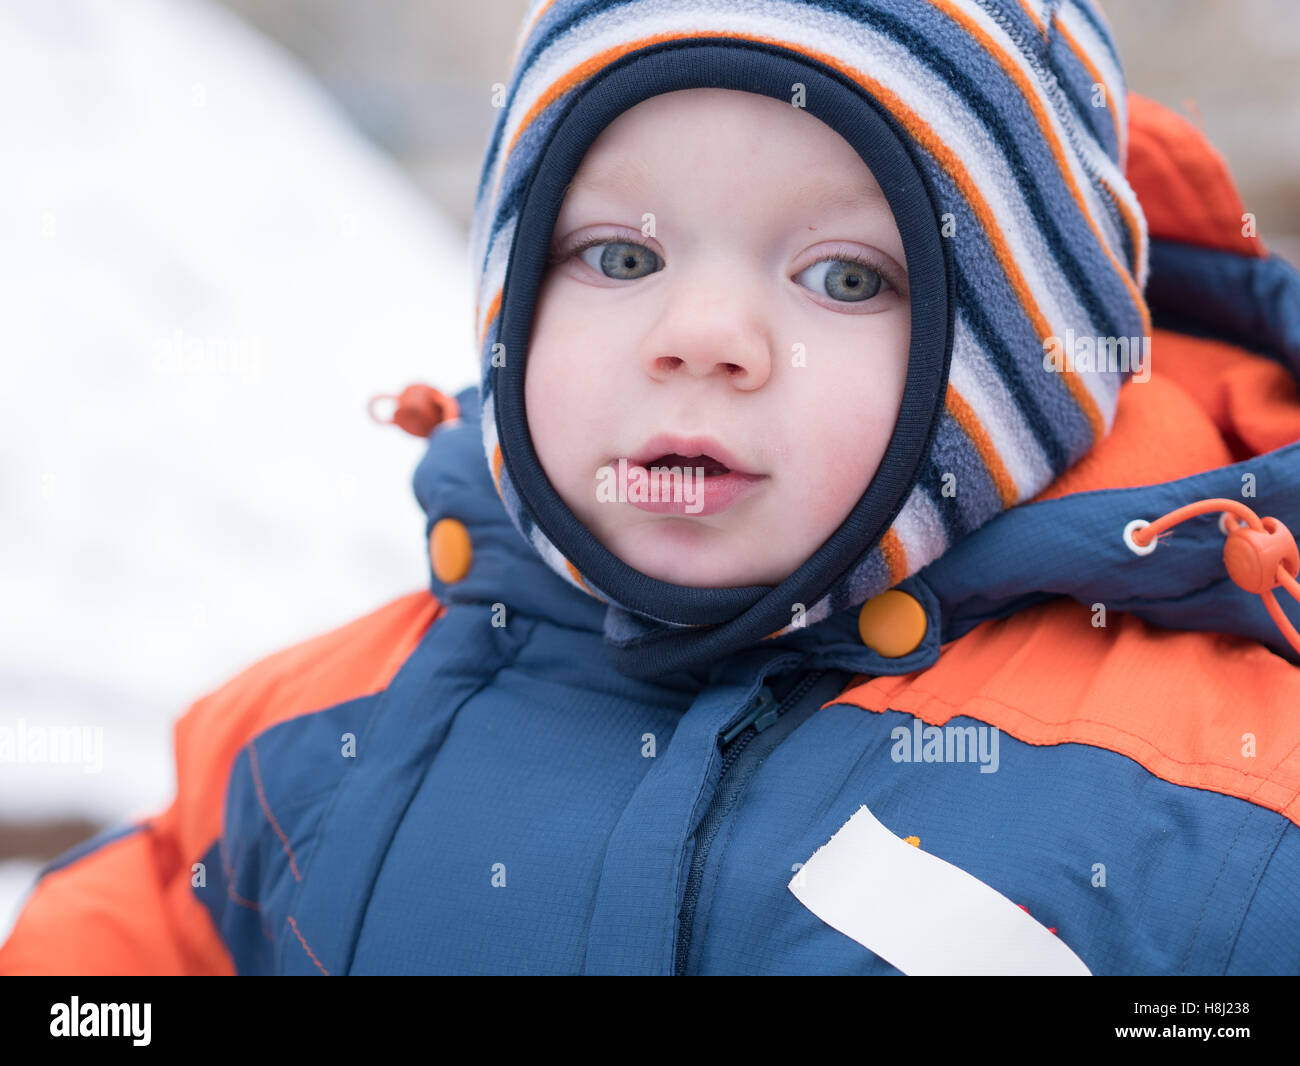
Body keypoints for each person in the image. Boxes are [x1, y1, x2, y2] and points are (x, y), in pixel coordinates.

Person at [4, 0, 1299, 976]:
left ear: (1024, 380)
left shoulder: (1227, 811)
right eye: (619, 253)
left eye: (843, 276)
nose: (701, 336)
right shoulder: (318, 740)